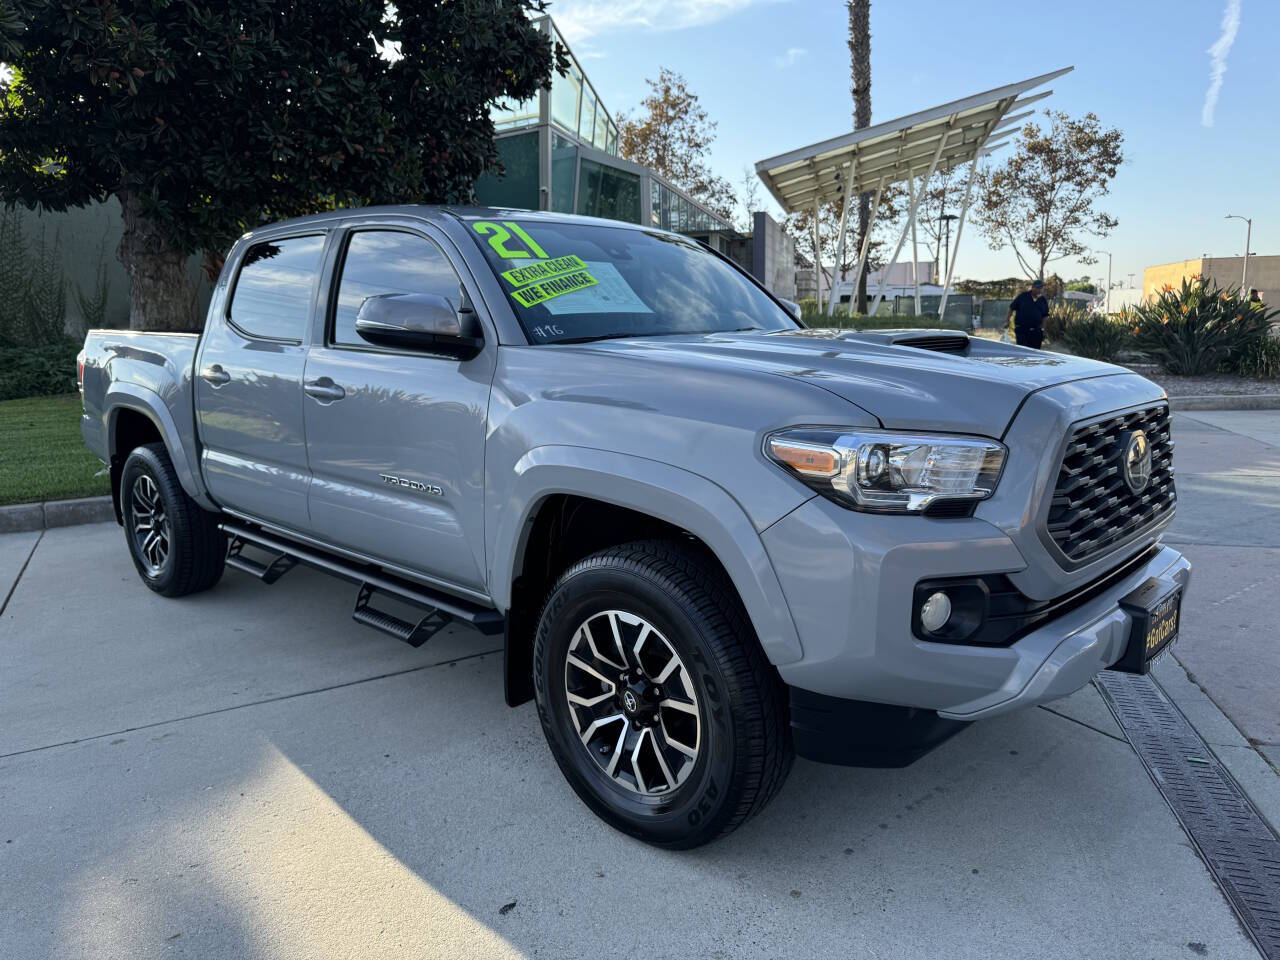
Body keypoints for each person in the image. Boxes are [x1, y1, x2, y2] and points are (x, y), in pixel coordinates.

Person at [1008, 278, 1049, 348]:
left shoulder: (1043, 300)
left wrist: (1042, 329)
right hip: (1022, 330)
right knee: (1022, 350)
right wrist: (1007, 321)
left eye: (1041, 288)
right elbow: (1011, 308)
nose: (1040, 290)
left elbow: (1045, 316)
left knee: (1035, 353)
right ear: (1033, 287)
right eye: (1038, 288)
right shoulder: (1023, 296)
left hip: (1036, 331)